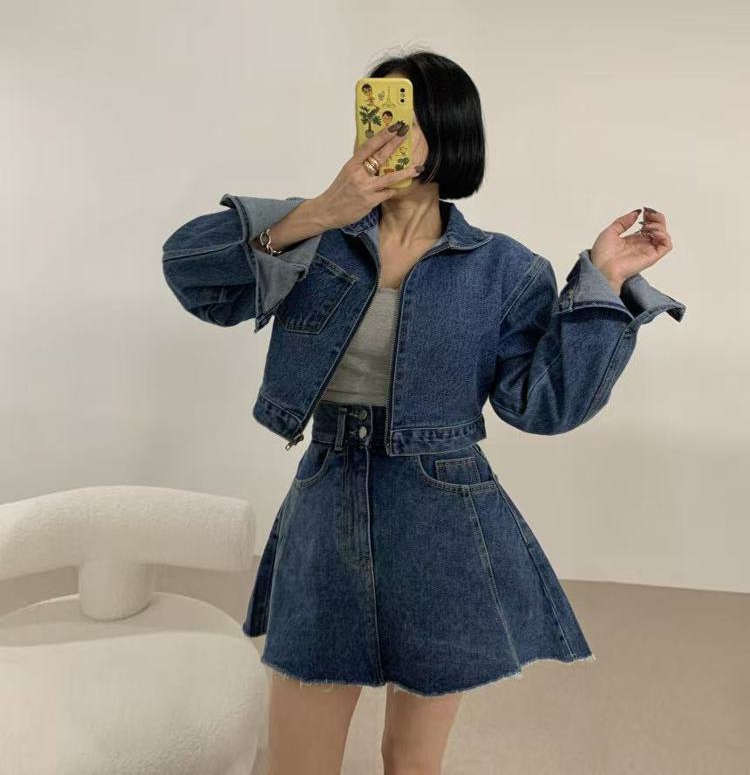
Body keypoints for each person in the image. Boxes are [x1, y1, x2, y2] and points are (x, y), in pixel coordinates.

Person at [161, 50, 685, 775]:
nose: (384, 135)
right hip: (327, 499)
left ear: (448, 130)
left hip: (446, 516)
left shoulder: (505, 269)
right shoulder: (314, 238)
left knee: (412, 761)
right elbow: (189, 270)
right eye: (374, 115)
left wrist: (603, 282)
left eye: (404, 118)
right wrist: (322, 210)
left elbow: (542, 405)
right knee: (297, 762)